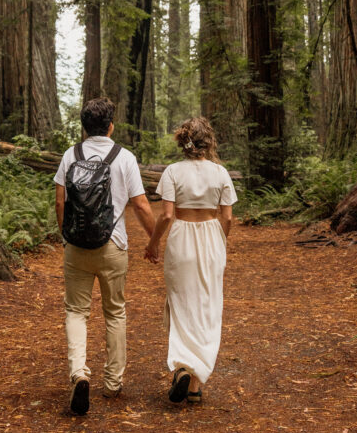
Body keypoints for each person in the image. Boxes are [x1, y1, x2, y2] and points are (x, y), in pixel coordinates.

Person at [54, 97, 155, 415]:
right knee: (115, 313)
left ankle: (79, 373)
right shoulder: (124, 157)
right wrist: (156, 239)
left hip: (78, 248)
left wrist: (66, 236)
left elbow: (60, 202)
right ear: (110, 125)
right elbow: (140, 204)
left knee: (76, 312)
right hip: (114, 246)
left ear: (84, 127)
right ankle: (112, 383)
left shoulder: (71, 155)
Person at [144, 116, 237, 404]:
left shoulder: (173, 171)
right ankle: (195, 383)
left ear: (183, 142)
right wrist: (219, 240)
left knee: (181, 303)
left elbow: (167, 215)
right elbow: (228, 217)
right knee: (207, 306)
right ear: (208, 141)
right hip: (211, 235)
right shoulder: (220, 173)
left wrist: (153, 242)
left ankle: (184, 366)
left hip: (182, 236)